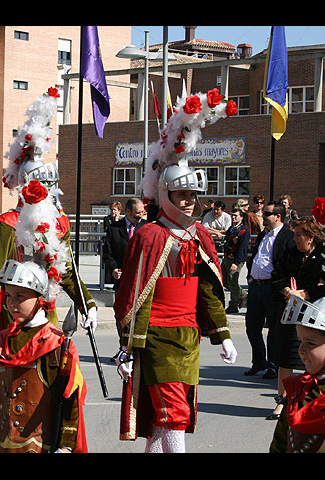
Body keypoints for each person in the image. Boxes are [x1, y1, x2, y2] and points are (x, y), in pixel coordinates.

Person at [114, 89, 238, 453]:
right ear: (164, 193)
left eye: (193, 195)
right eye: (182, 194)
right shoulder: (149, 235)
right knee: (174, 414)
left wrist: (224, 334)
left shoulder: (200, 235)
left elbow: (210, 291)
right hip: (155, 335)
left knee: (162, 417)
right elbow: (132, 293)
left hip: (189, 337)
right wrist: (126, 346)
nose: (190, 201)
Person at [0, 88, 97, 424]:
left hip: (49, 320)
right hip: (12, 320)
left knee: (52, 393)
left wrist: (88, 304)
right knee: (16, 395)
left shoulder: (58, 225)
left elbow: (65, 269)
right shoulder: (5, 225)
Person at [269, 194, 325, 452]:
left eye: (312, 344)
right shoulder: (299, 389)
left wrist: (306, 294)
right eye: (303, 341)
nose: (302, 350)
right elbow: (280, 445)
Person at [0, 259, 87, 453]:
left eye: (20, 296)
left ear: (40, 298)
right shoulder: (2, 342)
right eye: (8, 295)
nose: (11, 303)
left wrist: (64, 447)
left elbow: (70, 404)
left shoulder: (56, 345)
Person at [267, 217, 325, 421]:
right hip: (289, 311)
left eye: (298, 234)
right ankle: (283, 401)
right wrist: (287, 290)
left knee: (313, 357)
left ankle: (313, 401)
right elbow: (277, 275)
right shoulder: (292, 253)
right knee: (285, 357)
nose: (294, 238)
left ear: (310, 237)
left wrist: (306, 293)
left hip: (315, 314)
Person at [244, 200, 296, 380]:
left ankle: (273, 365)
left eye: (267, 214)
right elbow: (256, 258)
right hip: (256, 286)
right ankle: (259, 362)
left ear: (278, 216)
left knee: (274, 330)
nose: (263, 217)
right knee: (252, 327)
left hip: (272, 289)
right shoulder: (262, 235)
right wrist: (250, 279)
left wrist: (282, 285)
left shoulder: (288, 237)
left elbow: (288, 264)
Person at [103, 197, 147, 352]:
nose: (140, 215)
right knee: (122, 315)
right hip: (122, 281)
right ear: (128, 212)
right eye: (137, 212)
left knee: (140, 316)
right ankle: (123, 348)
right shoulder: (114, 228)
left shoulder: (147, 228)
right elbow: (107, 254)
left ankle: (138, 350)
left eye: (142, 212)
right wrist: (114, 269)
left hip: (142, 281)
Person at [222, 208, 250, 314]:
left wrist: (236, 263)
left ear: (241, 217)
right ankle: (243, 294)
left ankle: (233, 304)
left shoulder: (244, 231)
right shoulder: (231, 229)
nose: (233, 217)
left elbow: (243, 248)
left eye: (236, 216)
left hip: (235, 259)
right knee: (225, 280)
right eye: (232, 215)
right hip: (227, 258)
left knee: (233, 281)